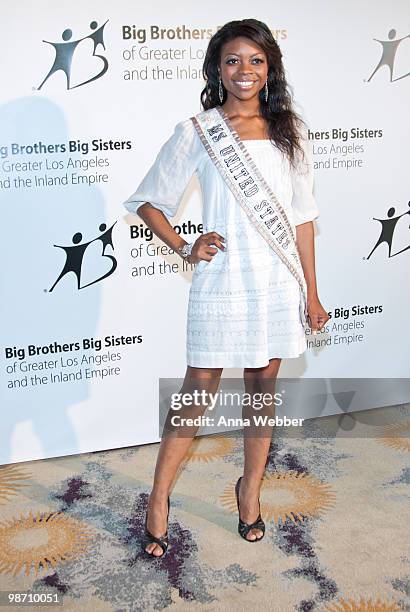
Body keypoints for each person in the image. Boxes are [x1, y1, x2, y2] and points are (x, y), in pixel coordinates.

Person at [123, 18, 330, 557]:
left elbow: (303, 218)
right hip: (222, 278)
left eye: (256, 61)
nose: (245, 71)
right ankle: (158, 497)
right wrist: (184, 245)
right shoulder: (198, 130)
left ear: (270, 69)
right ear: (218, 66)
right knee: (198, 391)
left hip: (276, 279)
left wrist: (311, 291)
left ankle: (250, 493)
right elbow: (149, 200)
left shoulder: (290, 132)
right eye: (234, 60)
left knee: (262, 394)